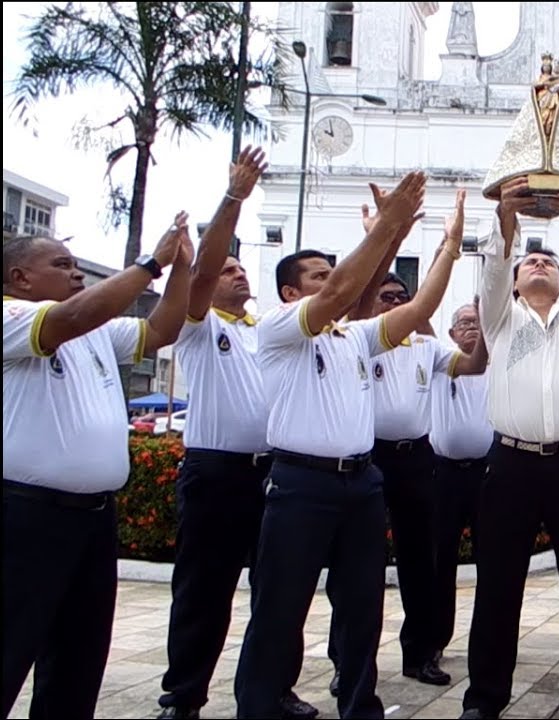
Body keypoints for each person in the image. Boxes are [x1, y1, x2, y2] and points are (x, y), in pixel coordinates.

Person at [233, 171, 464, 719]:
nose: (332, 280)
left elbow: (418, 309)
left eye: (331, 272)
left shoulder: (355, 335)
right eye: (318, 275)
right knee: (280, 606)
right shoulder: (280, 327)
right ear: (292, 293)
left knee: (364, 605)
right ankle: (260, 704)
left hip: (360, 482)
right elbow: (344, 291)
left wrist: (449, 253)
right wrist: (386, 232)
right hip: (300, 483)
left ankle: (360, 705)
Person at [3, 218, 193, 719]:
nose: (75, 275)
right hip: (24, 515)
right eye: (61, 265)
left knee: (79, 656)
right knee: (11, 645)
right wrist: (151, 264)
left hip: (92, 517)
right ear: (19, 278)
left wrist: (183, 269)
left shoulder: (96, 331)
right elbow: (71, 317)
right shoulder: (14, 317)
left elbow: (162, 330)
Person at [154, 148, 316, 720]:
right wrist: (234, 200)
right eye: (227, 269)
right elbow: (198, 273)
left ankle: (274, 687)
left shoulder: (263, 328)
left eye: (241, 267)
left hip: (272, 472)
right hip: (217, 472)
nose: (238, 271)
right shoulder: (198, 326)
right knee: (205, 591)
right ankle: (185, 695)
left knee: (280, 592)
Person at [461, 177, 559, 720]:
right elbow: (495, 269)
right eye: (530, 264)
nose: (539, 264)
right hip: (511, 464)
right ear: (518, 284)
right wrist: (508, 219)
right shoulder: (501, 321)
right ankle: (484, 700)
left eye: (549, 263)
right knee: (498, 586)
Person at [427, 302, 492, 670]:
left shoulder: (497, 365)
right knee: (440, 561)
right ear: (450, 333)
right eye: (464, 323)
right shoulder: (441, 362)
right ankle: (435, 639)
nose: (471, 329)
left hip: (486, 473)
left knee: (492, 561)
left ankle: (487, 642)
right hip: (445, 474)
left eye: (477, 323)